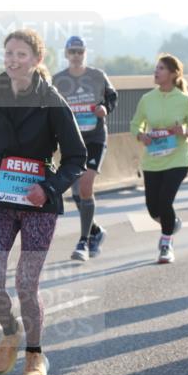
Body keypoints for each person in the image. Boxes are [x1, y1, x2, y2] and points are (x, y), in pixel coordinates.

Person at [0, 29, 86, 375]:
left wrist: (48, 188)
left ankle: (35, 355)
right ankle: (10, 329)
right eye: (10, 54)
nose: (14, 60)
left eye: (22, 55)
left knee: (26, 285)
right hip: (0, 199)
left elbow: (77, 157)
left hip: (38, 202)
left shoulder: (53, 101)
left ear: (36, 60)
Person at [130, 54, 188, 264]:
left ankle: (165, 244)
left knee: (165, 200)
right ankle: (171, 223)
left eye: (161, 68)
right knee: (153, 208)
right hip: (153, 159)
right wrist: (140, 135)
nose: (156, 72)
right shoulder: (147, 99)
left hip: (177, 159)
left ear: (173, 74)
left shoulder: (183, 99)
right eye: (156, 68)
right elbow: (135, 124)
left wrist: (185, 130)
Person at [52, 35, 118, 261]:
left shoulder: (97, 76)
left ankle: (84, 241)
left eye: (80, 51)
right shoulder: (58, 80)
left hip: (95, 138)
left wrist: (104, 108)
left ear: (85, 53)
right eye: (72, 52)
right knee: (77, 192)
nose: (76, 56)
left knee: (86, 186)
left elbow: (112, 97)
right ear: (66, 54)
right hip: (72, 140)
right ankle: (96, 231)